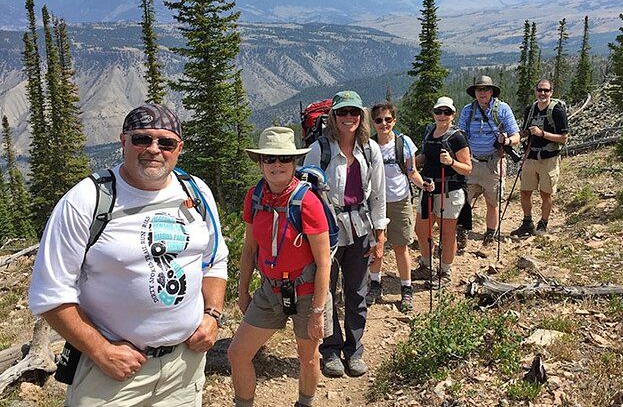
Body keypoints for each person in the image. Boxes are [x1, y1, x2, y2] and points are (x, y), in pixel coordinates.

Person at [28, 103, 228, 406]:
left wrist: (212, 315)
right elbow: (50, 294)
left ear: (179, 149)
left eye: (166, 142)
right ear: (123, 141)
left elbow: (215, 260)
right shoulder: (86, 200)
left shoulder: (196, 191)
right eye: (142, 139)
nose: (153, 149)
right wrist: (101, 351)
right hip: (110, 374)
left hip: (184, 366)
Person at [228, 127, 333, 407]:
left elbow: (324, 262)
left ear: (294, 163)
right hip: (270, 290)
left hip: (307, 291)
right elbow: (250, 249)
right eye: (270, 159)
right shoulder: (255, 196)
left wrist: (318, 311)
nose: (277, 165)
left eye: (284, 159)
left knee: (307, 356)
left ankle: (304, 403)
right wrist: (242, 292)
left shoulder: (307, 201)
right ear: (260, 163)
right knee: (238, 353)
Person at [303, 90, 387, 378]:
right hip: (326, 231)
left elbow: (378, 195)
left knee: (357, 291)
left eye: (353, 112)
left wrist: (380, 235)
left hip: (361, 227)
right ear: (333, 116)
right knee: (325, 292)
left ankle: (354, 349)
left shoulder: (370, 150)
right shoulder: (319, 150)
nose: (348, 118)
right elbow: (306, 195)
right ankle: (330, 349)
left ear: (360, 116)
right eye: (342, 112)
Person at [366, 101, 430, 312]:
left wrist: (423, 185)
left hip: (400, 200)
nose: (384, 124)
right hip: (376, 202)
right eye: (379, 120)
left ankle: (406, 288)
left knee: (401, 246)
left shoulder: (404, 143)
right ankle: (375, 283)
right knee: (377, 246)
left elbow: (411, 171)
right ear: (373, 123)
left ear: (394, 120)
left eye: (388, 119)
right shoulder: (368, 145)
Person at [413, 96, 472, 288]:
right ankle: (427, 264)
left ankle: (445, 271)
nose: (442, 115)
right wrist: (410, 163)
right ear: (433, 113)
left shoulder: (457, 137)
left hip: (450, 190)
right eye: (439, 111)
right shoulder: (430, 131)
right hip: (428, 187)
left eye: (446, 112)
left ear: (453, 115)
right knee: (421, 230)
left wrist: (451, 162)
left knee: (447, 234)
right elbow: (425, 157)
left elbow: (467, 168)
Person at [458, 75, 520, 247]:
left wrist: (507, 141)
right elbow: (460, 136)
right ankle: (462, 233)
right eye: (479, 89)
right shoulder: (467, 110)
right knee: (463, 201)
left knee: (492, 202)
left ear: (492, 91)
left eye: (486, 89)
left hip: (494, 162)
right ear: (475, 92)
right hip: (470, 162)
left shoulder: (503, 109)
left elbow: (516, 135)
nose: (482, 92)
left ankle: (490, 234)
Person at [511, 79, 569, 236]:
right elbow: (525, 132)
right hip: (531, 156)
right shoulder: (531, 109)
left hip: (549, 158)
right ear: (535, 91)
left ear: (551, 92)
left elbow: (564, 138)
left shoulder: (557, 111)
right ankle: (527, 222)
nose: (543, 93)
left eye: (546, 90)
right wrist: (513, 137)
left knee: (546, 193)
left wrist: (542, 134)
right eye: (540, 90)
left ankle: (543, 223)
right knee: (525, 191)